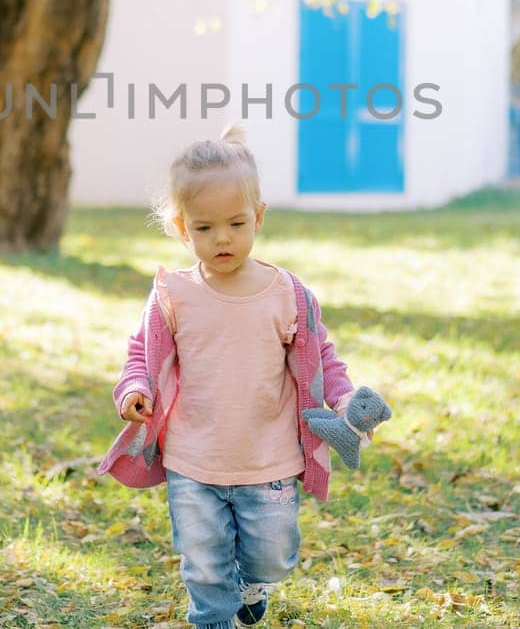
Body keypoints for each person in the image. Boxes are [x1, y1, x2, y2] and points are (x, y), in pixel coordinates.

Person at [97, 123, 363, 629]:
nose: (222, 238)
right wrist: (134, 389)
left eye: (236, 224)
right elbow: (142, 353)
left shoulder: (285, 292)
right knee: (202, 560)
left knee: (274, 554)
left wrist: (345, 398)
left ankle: (253, 584)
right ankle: (213, 618)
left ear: (258, 217)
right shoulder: (173, 294)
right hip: (193, 459)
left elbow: (321, 355)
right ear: (181, 227)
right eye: (204, 228)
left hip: (270, 457)